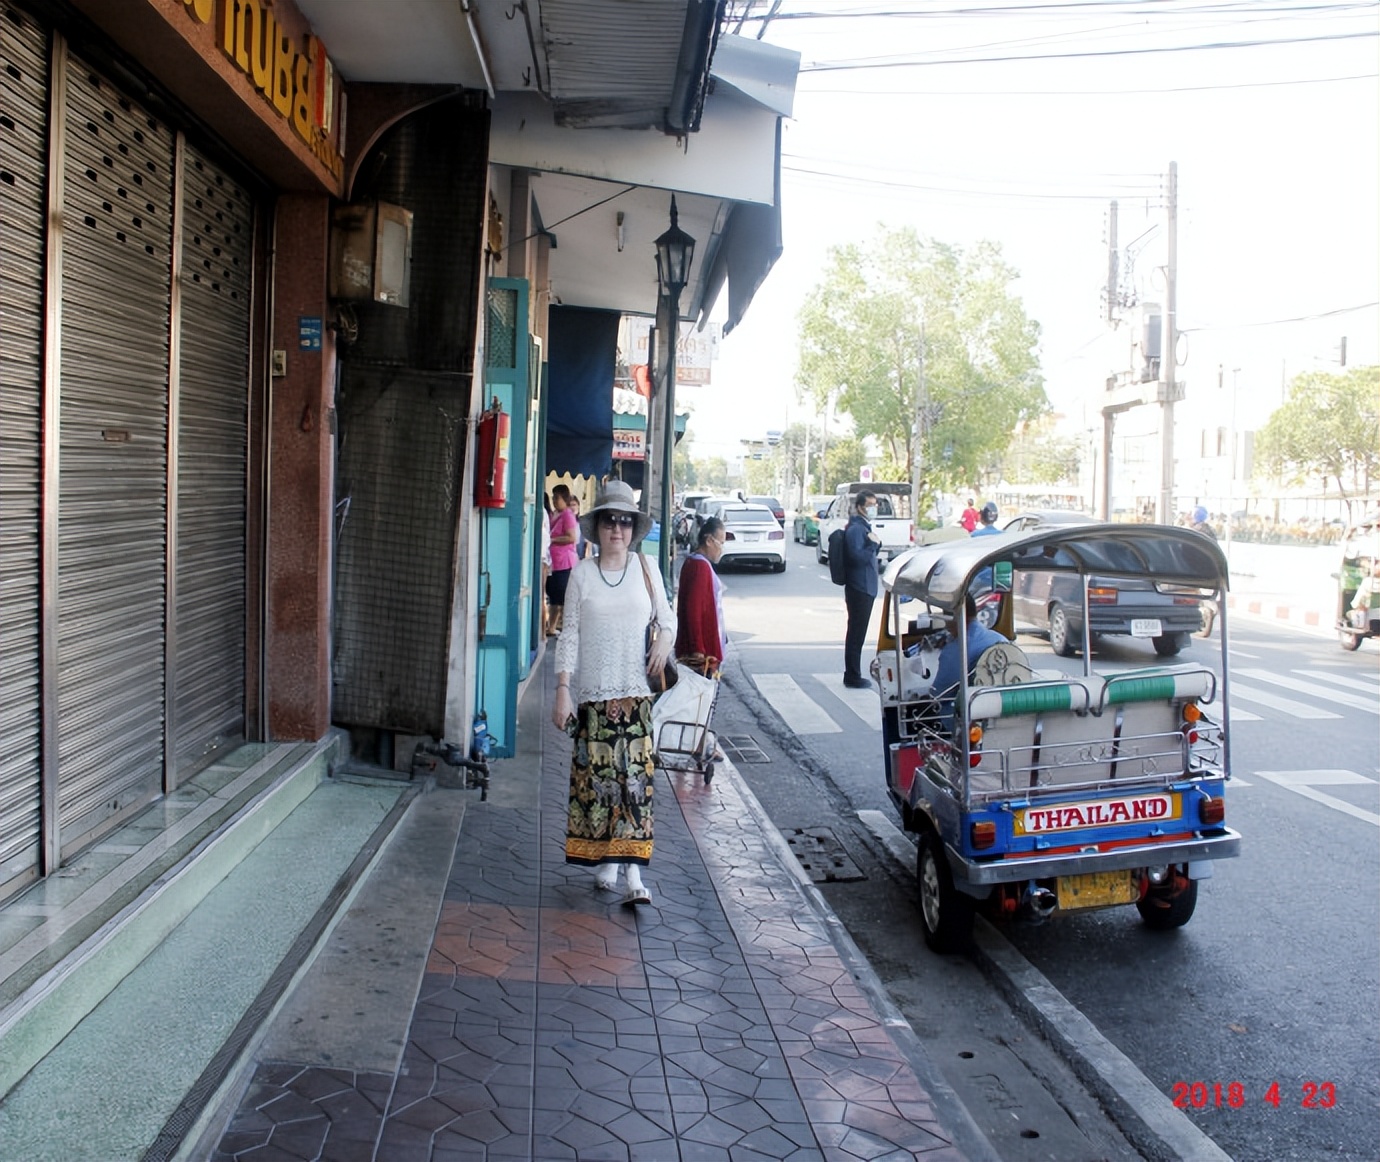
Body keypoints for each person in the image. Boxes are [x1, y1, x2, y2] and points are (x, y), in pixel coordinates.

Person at [552, 480, 674, 907]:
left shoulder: (647, 568)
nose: (617, 530)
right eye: (609, 521)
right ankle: (607, 862)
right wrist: (562, 690)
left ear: (633, 528)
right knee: (601, 787)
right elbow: (568, 636)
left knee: (634, 786)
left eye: (624, 522)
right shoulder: (582, 575)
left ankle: (634, 874)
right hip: (594, 697)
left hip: (637, 695)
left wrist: (664, 641)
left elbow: (668, 619)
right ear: (597, 527)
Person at [931, 594, 1007, 730]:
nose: (946, 625)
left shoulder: (956, 650)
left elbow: (937, 695)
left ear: (954, 617)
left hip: (968, 723)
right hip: (1004, 715)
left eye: (946, 619)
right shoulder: (1000, 639)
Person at [675, 517, 727, 676]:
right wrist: (698, 650)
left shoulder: (694, 562)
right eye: (721, 543)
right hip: (701, 656)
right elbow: (693, 611)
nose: (722, 548)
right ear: (709, 541)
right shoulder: (700, 566)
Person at [842, 490, 882, 689]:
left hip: (865, 586)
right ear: (859, 507)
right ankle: (852, 675)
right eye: (869, 505)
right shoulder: (857, 529)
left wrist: (875, 544)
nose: (873, 508)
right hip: (860, 587)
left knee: (858, 633)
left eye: (875, 505)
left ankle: (853, 673)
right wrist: (873, 546)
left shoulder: (863, 527)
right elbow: (856, 558)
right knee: (856, 634)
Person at [545, 484, 579, 634]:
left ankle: (568, 627)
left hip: (564, 561)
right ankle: (551, 627)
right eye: (553, 497)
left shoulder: (567, 515)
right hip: (554, 561)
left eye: (557, 498)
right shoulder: (555, 515)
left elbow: (572, 537)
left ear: (564, 499)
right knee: (553, 596)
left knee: (562, 596)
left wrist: (553, 540)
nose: (554, 500)